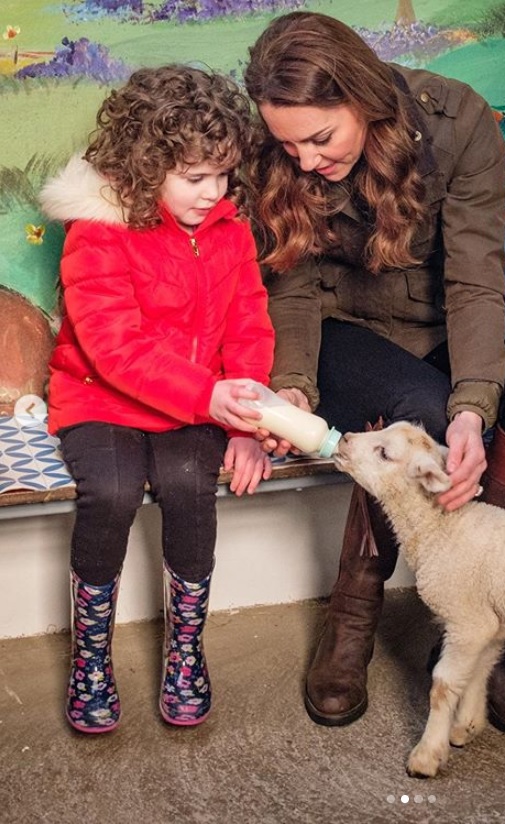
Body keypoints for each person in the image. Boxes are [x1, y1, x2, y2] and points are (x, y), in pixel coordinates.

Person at [244, 11, 505, 740]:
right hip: (345, 332)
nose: (302, 161)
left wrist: (473, 410)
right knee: (413, 406)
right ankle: (352, 622)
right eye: (287, 144)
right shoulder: (281, 157)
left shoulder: (458, 121)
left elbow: (476, 283)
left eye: (319, 139)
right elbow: (292, 288)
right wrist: (293, 384)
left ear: (361, 97)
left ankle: (485, 632)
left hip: (446, 326)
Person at [39, 65, 276, 733]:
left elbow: (249, 325)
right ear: (147, 168)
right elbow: (113, 346)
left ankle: (185, 652)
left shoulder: (230, 230)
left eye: (224, 175)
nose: (214, 193)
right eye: (195, 178)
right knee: (111, 494)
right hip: (100, 400)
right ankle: (91, 657)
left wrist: (247, 423)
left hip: (196, 406)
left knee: (188, 488)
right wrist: (211, 396)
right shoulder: (100, 228)